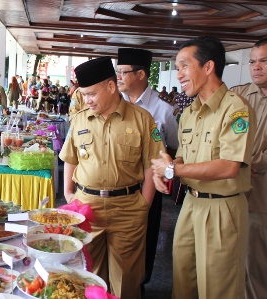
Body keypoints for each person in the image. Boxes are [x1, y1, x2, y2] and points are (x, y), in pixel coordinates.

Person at [151, 36, 256, 299]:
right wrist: (163, 168)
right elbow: (184, 160)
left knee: (218, 288)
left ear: (208, 67)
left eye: (184, 66)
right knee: (183, 281)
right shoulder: (189, 112)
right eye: (177, 68)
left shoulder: (235, 109)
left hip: (223, 208)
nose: (179, 75)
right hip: (191, 205)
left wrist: (174, 170)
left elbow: (229, 166)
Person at [59, 56, 164, 298]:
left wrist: (144, 204)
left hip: (128, 209)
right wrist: (68, 194)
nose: (87, 100)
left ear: (110, 86)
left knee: (127, 278)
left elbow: (152, 164)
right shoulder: (79, 119)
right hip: (87, 208)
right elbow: (70, 158)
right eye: (84, 94)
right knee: (89, 274)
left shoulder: (141, 119)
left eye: (91, 94)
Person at [116, 47, 179, 295]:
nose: (118, 77)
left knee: (144, 241)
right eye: (117, 71)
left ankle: (138, 286)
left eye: (124, 72)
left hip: (146, 189)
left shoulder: (164, 111)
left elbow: (173, 148)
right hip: (117, 189)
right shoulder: (115, 105)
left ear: (141, 74)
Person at [230, 38, 267, 299]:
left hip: (262, 196)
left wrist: (254, 162)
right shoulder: (240, 96)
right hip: (236, 192)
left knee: (256, 267)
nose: (257, 67)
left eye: (264, 61)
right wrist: (239, 161)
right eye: (253, 61)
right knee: (235, 263)